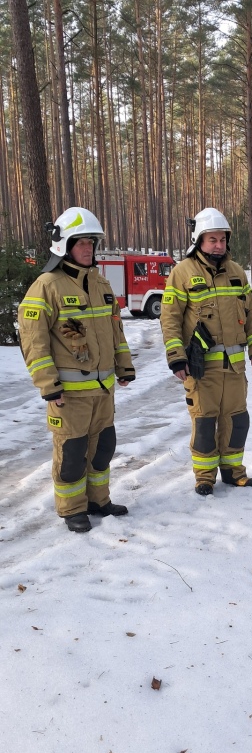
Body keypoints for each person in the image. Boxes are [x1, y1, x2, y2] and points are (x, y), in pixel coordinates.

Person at [18, 207, 135, 533]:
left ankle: (98, 500)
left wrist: (124, 366)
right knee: (71, 453)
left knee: (102, 448)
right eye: (80, 242)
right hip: (68, 396)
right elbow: (33, 339)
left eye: (91, 242)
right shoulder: (47, 286)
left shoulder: (100, 284)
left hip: (103, 391)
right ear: (64, 246)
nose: (87, 248)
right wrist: (48, 384)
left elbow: (115, 331)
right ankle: (72, 508)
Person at [160, 207, 252, 496]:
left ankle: (234, 472)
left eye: (222, 239)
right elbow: (169, 318)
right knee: (205, 423)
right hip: (200, 368)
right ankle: (205, 476)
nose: (218, 245)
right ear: (199, 241)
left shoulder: (237, 273)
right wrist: (176, 356)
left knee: (236, 421)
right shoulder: (182, 273)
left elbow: (251, 313)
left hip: (234, 368)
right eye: (212, 240)